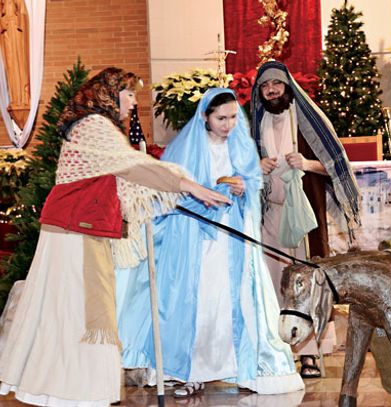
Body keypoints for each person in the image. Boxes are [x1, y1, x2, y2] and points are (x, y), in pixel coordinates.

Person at [0, 67, 229, 407]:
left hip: (76, 226)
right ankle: (78, 392)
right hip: (74, 229)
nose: (134, 102)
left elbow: (125, 173)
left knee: (73, 311)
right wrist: (186, 184)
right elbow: (133, 167)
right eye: (129, 93)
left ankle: (64, 390)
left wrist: (172, 191)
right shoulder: (94, 126)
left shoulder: (95, 127)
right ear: (108, 94)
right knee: (88, 311)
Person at [116, 88, 305, 396]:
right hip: (196, 240)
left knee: (232, 301)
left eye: (233, 117)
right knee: (200, 302)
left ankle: (238, 365)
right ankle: (193, 370)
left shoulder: (242, 145)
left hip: (233, 237)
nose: (228, 124)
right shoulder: (187, 147)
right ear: (205, 116)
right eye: (221, 118)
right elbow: (171, 193)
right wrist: (203, 194)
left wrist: (244, 187)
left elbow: (253, 181)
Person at [250, 61, 361, 378]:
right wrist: (256, 165)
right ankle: (277, 351)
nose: (271, 90)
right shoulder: (253, 127)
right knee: (271, 284)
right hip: (268, 216)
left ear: (287, 87)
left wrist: (307, 163)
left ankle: (309, 355)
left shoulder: (308, 123)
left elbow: (337, 166)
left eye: (277, 84)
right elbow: (240, 167)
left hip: (303, 219)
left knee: (304, 284)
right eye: (265, 86)